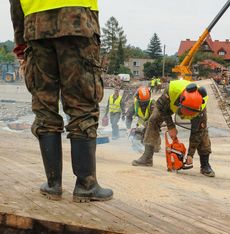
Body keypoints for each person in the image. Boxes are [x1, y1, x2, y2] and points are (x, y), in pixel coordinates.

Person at [9, 0, 113, 202]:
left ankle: (53, 184)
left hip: (36, 30)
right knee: (82, 104)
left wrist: (21, 44)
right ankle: (86, 185)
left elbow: (15, 5)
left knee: (44, 106)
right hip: (77, 23)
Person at [132, 79, 215, 177]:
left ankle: (205, 164)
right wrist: (170, 126)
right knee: (153, 120)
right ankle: (147, 157)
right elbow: (160, 107)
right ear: (181, 99)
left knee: (202, 133)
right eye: (185, 112)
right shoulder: (172, 90)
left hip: (192, 111)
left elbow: (197, 133)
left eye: (189, 114)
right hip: (170, 105)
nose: (184, 116)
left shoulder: (201, 107)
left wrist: (190, 154)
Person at [126, 86, 161, 151]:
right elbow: (128, 116)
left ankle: (148, 143)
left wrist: (146, 125)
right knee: (137, 141)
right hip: (140, 127)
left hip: (151, 126)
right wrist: (128, 128)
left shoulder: (152, 104)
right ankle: (141, 143)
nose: (143, 105)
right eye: (142, 103)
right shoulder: (136, 104)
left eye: (144, 103)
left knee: (155, 148)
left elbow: (155, 118)